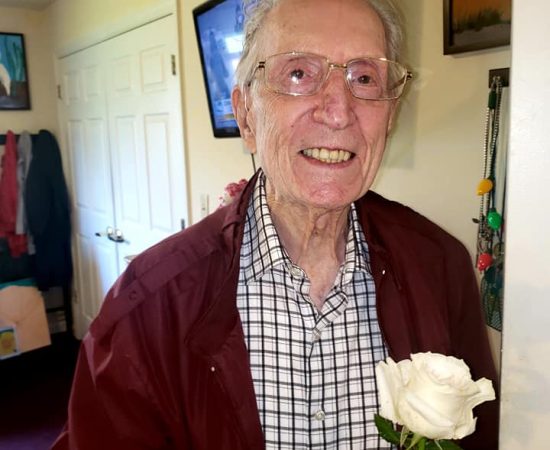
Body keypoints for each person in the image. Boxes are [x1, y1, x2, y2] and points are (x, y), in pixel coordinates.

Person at [52, 0, 499, 449]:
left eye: (364, 78)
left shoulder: (439, 266)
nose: (339, 111)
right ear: (246, 115)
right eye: (299, 73)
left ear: (391, 116)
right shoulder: (149, 304)